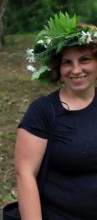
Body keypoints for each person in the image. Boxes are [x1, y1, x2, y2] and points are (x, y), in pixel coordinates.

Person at [15, 12, 97, 220]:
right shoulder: (43, 111)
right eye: (67, 62)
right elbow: (25, 175)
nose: (76, 70)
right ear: (57, 67)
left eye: (84, 59)